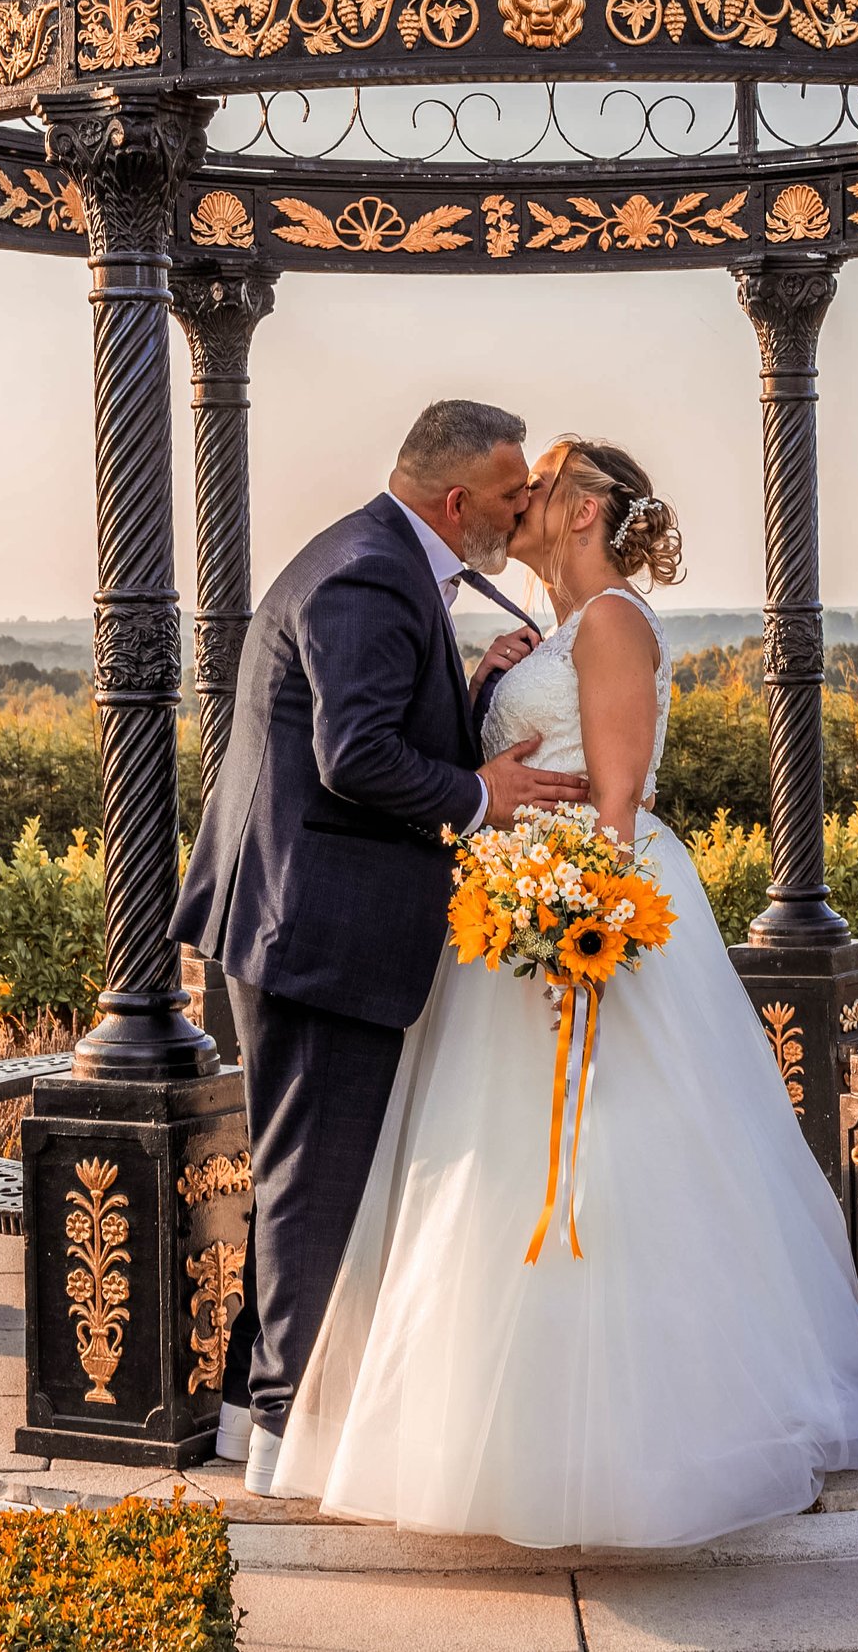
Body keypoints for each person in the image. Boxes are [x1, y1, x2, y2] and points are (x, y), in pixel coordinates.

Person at [267, 435, 858, 1547]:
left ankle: (628, 1437)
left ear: (584, 510)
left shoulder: (612, 623)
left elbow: (615, 799)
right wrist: (486, 684)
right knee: (486, 1169)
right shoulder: (543, 636)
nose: (522, 498)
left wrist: (578, 926)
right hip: (509, 916)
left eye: (543, 482)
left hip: (583, 916)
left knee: (612, 1163)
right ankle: (493, 1422)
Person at [171, 400, 590, 1494]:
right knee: (314, 1184)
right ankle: (281, 1439)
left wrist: (468, 693)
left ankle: (241, 1414)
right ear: (458, 500)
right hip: (318, 923)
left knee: (294, 1173)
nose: (518, 510)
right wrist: (479, 792)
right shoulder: (368, 571)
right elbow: (353, 753)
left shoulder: (371, 557)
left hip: (303, 912)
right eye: (509, 494)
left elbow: (367, 717)